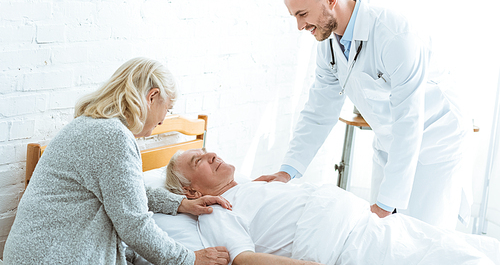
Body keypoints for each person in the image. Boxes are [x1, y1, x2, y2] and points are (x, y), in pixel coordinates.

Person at [255, 0, 469, 229]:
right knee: (385, 235)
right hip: (390, 143)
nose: (299, 26)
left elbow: (408, 120)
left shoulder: (394, 35)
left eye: (302, 14)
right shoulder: (328, 45)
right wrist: (288, 171)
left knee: (425, 239)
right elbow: (318, 112)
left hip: (434, 143)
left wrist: (387, 203)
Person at [4, 57, 231, 265]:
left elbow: (124, 192)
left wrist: (179, 204)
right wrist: (190, 259)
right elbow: (135, 226)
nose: (163, 120)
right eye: (167, 109)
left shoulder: (92, 124)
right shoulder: (113, 137)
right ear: (152, 97)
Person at [165, 148, 500, 265]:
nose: (212, 155)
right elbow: (243, 259)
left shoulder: (256, 184)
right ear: (191, 191)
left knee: (458, 246)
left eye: (209, 150)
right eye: (199, 160)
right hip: (346, 247)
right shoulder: (215, 211)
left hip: (368, 224)